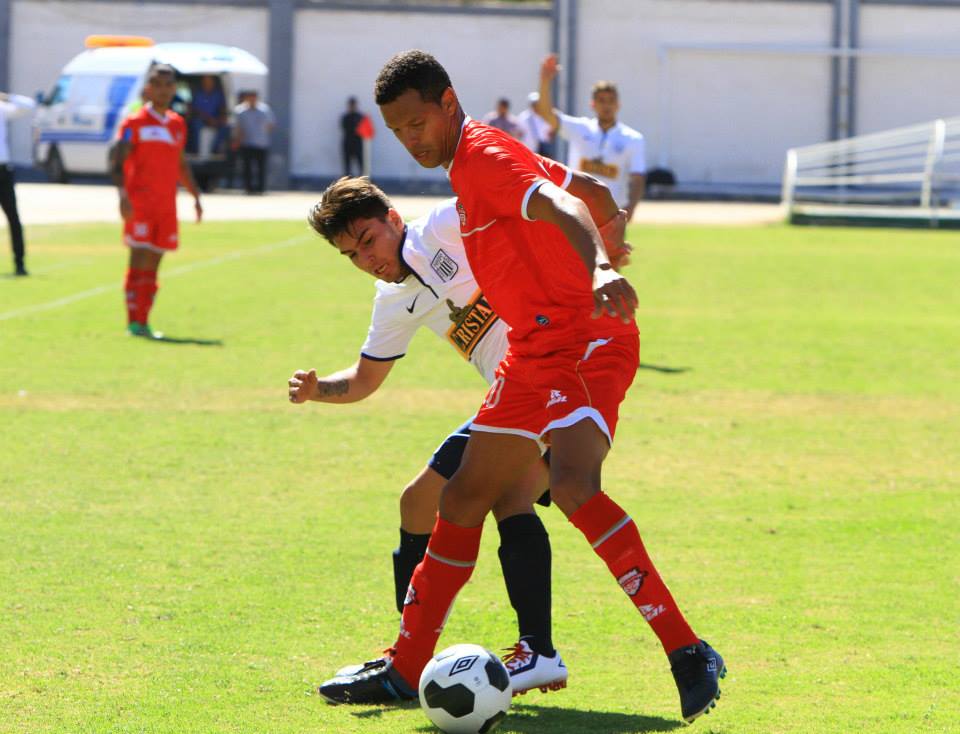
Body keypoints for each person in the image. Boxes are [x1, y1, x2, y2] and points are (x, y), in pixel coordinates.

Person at [319, 50, 725, 725]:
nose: (413, 139)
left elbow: (563, 202)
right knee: (462, 495)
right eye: (398, 132)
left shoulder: (481, 157)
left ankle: (687, 651)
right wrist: (611, 227)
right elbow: (587, 192)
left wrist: (597, 263)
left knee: (570, 486)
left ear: (449, 103)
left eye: (419, 122)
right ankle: (404, 670)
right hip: (532, 355)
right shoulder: (474, 168)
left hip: (587, 339)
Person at [288, 176, 646, 695]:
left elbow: (540, 195)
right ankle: (414, 652)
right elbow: (365, 380)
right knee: (418, 503)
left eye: (367, 240)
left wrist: (606, 240)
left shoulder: (446, 227)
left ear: (393, 218)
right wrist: (320, 389)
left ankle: (521, 652)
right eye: (350, 255)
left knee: (509, 497)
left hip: (554, 376)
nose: (366, 259)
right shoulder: (393, 301)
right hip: (512, 400)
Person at [109, 64, 203, 338]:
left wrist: (196, 196)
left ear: (174, 89)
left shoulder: (176, 123)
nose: (163, 90)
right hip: (140, 203)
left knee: (155, 263)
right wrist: (123, 197)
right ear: (148, 89)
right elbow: (117, 163)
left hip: (166, 206)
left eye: (168, 85)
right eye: (157, 85)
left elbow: (180, 164)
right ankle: (133, 321)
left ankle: (145, 321)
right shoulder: (134, 123)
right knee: (138, 259)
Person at [536, 54, 647, 221]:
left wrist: (631, 207)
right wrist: (545, 81)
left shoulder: (633, 138)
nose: (606, 105)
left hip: (611, 215)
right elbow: (546, 114)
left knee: (606, 249)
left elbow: (637, 177)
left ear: (618, 104)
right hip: (575, 212)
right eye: (601, 100)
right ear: (592, 104)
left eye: (611, 100)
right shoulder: (580, 128)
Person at [0, 91, 35, 276]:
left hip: (3, 170)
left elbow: (29, 105)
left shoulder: (2, 108)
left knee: (13, 218)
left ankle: (19, 263)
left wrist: (6, 96)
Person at [233, 91, 274, 194]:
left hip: (261, 143)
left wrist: (264, 133)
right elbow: (238, 126)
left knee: (261, 167)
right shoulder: (240, 111)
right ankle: (248, 188)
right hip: (247, 142)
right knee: (247, 167)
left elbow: (271, 124)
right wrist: (237, 139)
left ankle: (261, 188)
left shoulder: (264, 110)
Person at [188, 75, 228, 155]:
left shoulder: (218, 94)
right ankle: (197, 150)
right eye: (206, 81)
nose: (208, 83)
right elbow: (196, 110)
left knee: (226, 127)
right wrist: (208, 119)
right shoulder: (198, 94)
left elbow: (222, 108)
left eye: (210, 81)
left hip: (215, 119)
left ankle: (214, 149)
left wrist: (220, 119)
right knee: (196, 124)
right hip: (201, 119)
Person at [516, 91, 552, 156]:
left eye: (537, 104)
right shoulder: (523, 117)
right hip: (527, 149)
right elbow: (519, 133)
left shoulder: (545, 117)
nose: (535, 106)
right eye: (533, 104)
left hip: (543, 150)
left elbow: (549, 133)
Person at [340, 97, 365, 176]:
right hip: (348, 142)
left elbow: (364, 130)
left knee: (361, 163)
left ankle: (362, 181)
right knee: (347, 164)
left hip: (358, 143)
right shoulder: (345, 117)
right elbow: (344, 127)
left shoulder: (360, 117)